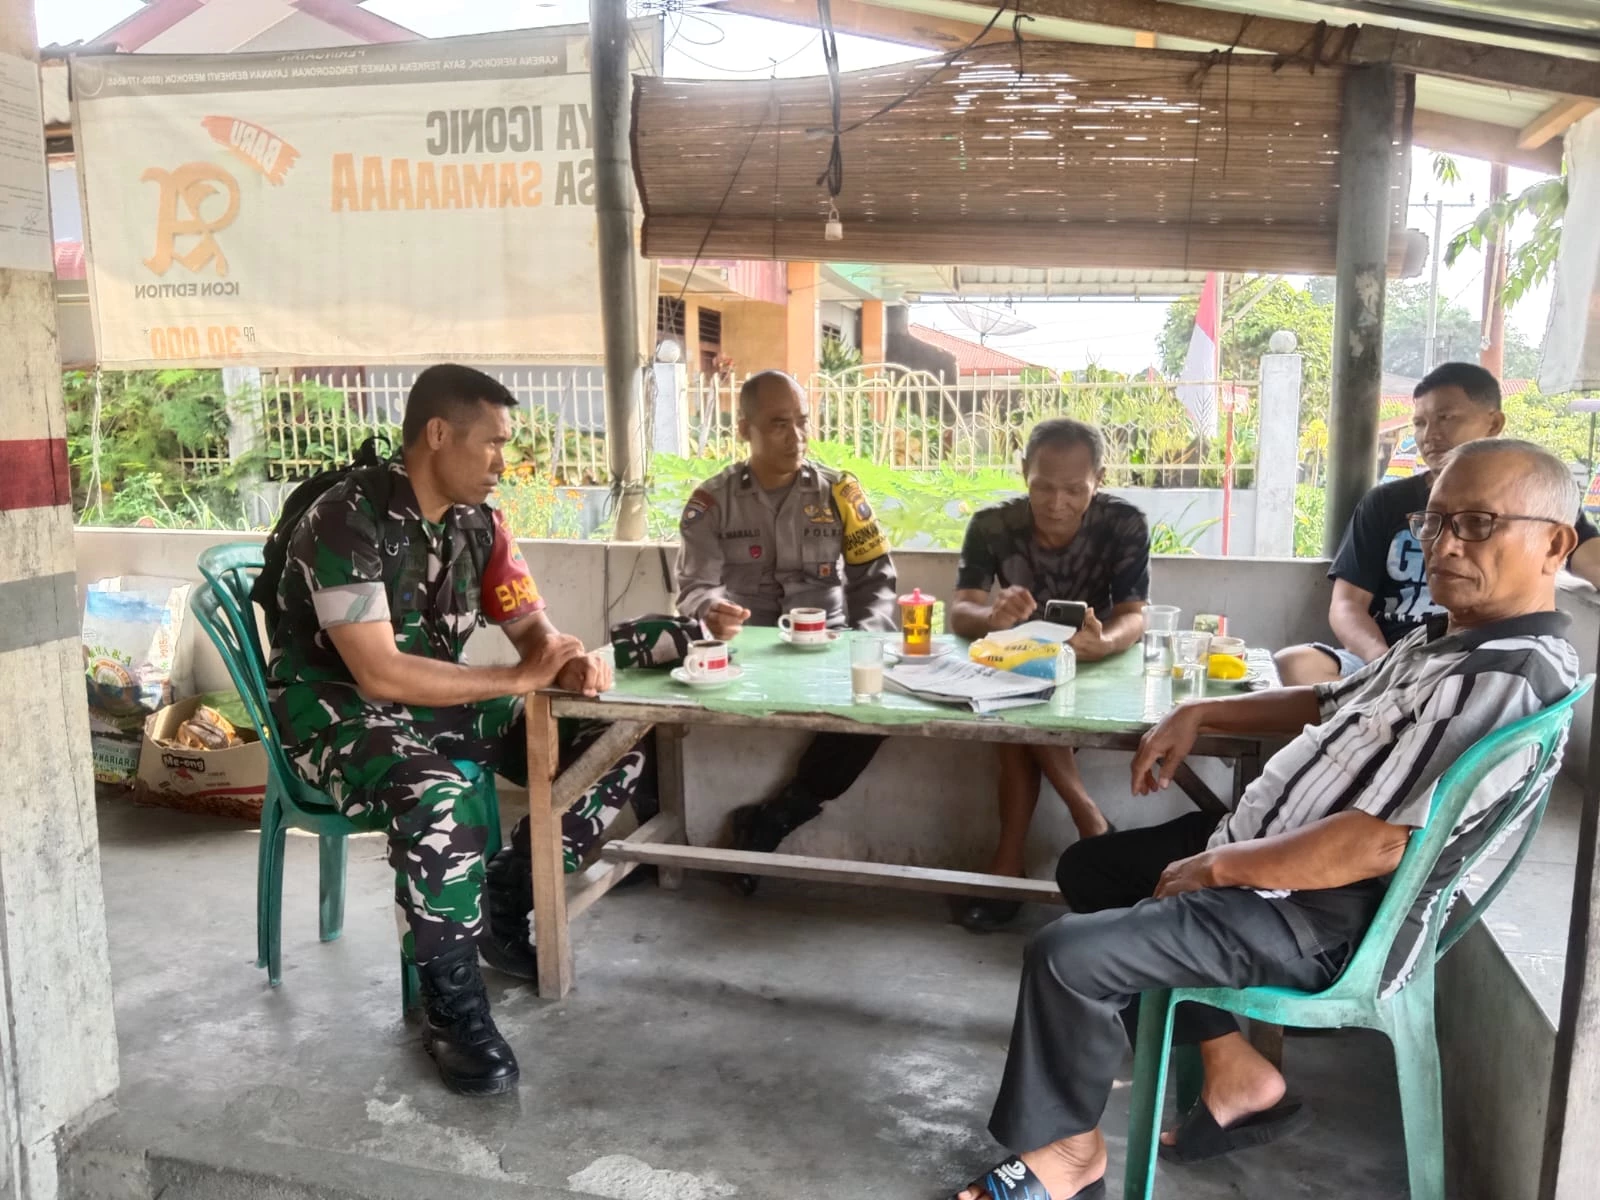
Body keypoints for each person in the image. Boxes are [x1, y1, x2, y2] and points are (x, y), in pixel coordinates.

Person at [949, 438, 1581, 1200]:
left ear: (1554, 543)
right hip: (1283, 866)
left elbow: (1375, 844)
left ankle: (1070, 1157)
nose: (1444, 546)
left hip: (1324, 914)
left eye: (1477, 524)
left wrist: (1217, 868)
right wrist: (1203, 708)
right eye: (1435, 521)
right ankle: (1236, 1073)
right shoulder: (1450, 640)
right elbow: (1326, 700)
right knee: (1095, 868)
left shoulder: (1503, 675)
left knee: (1068, 958)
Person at [269, 363, 652, 1097]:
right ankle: (451, 1008)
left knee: (611, 746)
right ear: (438, 434)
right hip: (335, 713)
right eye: (493, 445)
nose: (504, 464)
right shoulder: (345, 518)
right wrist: (516, 678)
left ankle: (506, 898)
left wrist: (564, 664)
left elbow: (533, 634)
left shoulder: (482, 524)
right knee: (438, 800)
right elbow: (378, 672)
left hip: (436, 703)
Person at [675, 370, 897, 892]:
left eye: (801, 422)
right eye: (778, 425)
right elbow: (693, 589)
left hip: (827, 651)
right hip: (743, 654)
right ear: (744, 428)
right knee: (647, 691)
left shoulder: (840, 491)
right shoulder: (712, 501)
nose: (795, 437)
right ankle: (648, 830)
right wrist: (713, 611)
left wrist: (864, 642)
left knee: (880, 709)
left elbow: (878, 578)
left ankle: (773, 821)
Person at [1276, 362, 1600, 686]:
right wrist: (1385, 663)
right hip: (1387, 655)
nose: (1429, 435)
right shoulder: (1386, 503)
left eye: (1446, 418)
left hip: (1481, 657)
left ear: (1494, 423)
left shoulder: (1531, 502)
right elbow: (1347, 604)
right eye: (1419, 423)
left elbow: (1592, 561)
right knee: (1295, 665)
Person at [946, 418, 1150, 933]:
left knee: (1017, 725)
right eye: (1042, 487)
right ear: (1023, 473)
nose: (1057, 503)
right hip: (1013, 664)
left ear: (1098, 479)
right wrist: (992, 617)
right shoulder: (991, 525)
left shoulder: (1124, 524)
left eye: (1073, 490)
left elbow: (1135, 615)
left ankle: (1007, 869)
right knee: (1019, 708)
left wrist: (1102, 643)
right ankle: (1092, 825)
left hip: (1094, 665)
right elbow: (960, 612)